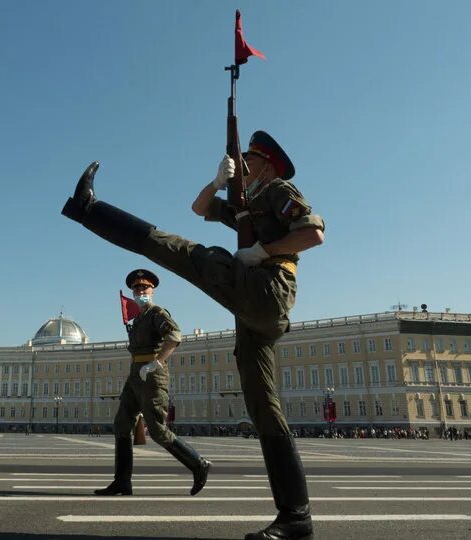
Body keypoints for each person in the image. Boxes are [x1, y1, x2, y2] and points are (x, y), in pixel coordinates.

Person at [61, 131, 324, 540]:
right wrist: (218, 183)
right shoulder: (246, 205)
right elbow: (200, 207)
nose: (246, 167)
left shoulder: (278, 190)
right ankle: (297, 518)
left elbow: (313, 233)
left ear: (268, 165)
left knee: (180, 251)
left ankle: (89, 210)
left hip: (268, 288)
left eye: (250, 161)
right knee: (262, 406)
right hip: (252, 306)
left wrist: (265, 252)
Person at [94, 269, 211, 497]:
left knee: (157, 430)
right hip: (136, 374)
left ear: (152, 290)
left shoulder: (157, 313)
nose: (140, 291)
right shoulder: (139, 318)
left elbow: (174, 336)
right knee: (121, 424)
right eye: (136, 288)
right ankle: (122, 481)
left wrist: (157, 363)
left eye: (144, 287)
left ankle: (198, 464)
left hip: (152, 375)